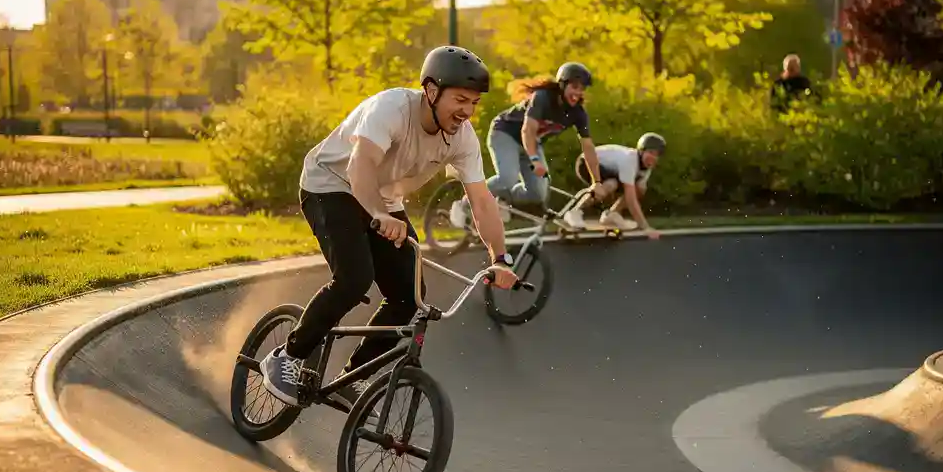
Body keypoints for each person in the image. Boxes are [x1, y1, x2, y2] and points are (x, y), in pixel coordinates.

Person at [259, 46, 520, 409]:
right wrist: (376, 214)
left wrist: (501, 258)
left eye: (474, 103)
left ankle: (355, 374)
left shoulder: (462, 139)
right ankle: (286, 356)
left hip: (383, 202)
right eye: (460, 99)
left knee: (409, 297)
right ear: (431, 91)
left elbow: (481, 201)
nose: (467, 111)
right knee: (354, 279)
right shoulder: (392, 109)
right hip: (331, 185)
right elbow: (360, 164)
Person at [449, 61, 604, 228]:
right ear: (562, 84)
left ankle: (502, 200)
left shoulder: (578, 113)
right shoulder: (543, 98)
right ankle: (463, 205)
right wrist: (535, 159)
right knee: (508, 178)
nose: (578, 93)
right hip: (505, 133)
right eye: (574, 87)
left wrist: (597, 182)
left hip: (531, 144)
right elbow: (527, 131)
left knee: (537, 194)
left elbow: (588, 147)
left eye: (582, 89)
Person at [560, 133, 666, 239]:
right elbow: (631, 199)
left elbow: (637, 191)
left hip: (608, 170)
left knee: (641, 188)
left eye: (657, 155)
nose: (653, 157)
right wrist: (645, 227)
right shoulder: (630, 160)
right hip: (587, 162)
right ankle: (573, 212)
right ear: (641, 151)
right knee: (611, 184)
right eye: (651, 153)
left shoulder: (647, 167)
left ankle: (611, 215)